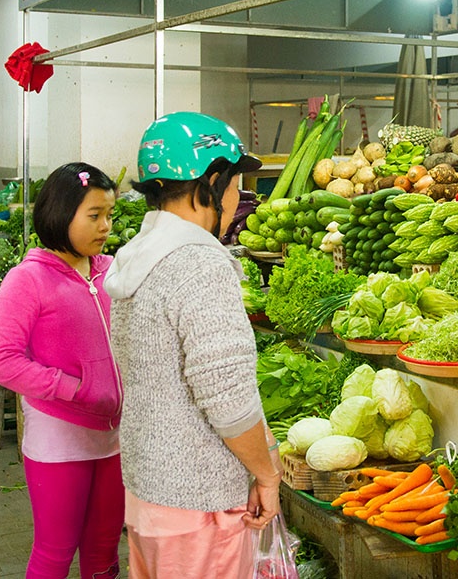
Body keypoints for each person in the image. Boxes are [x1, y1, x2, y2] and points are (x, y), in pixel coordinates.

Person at [104, 112, 279, 578]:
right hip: (200, 504)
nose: (238, 196)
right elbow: (227, 399)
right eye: (235, 183)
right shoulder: (200, 263)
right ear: (212, 182)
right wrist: (267, 473)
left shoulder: (137, 255)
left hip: (150, 492)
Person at [0, 162, 124, 579]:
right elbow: (0, 361)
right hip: (60, 436)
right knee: (54, 553)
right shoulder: (27, 280)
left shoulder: (110, 271)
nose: (106, 226)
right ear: (62, 213)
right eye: (94, 215)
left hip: (114, 437)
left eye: (109, 215)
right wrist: (73, 389)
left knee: (104, 552)